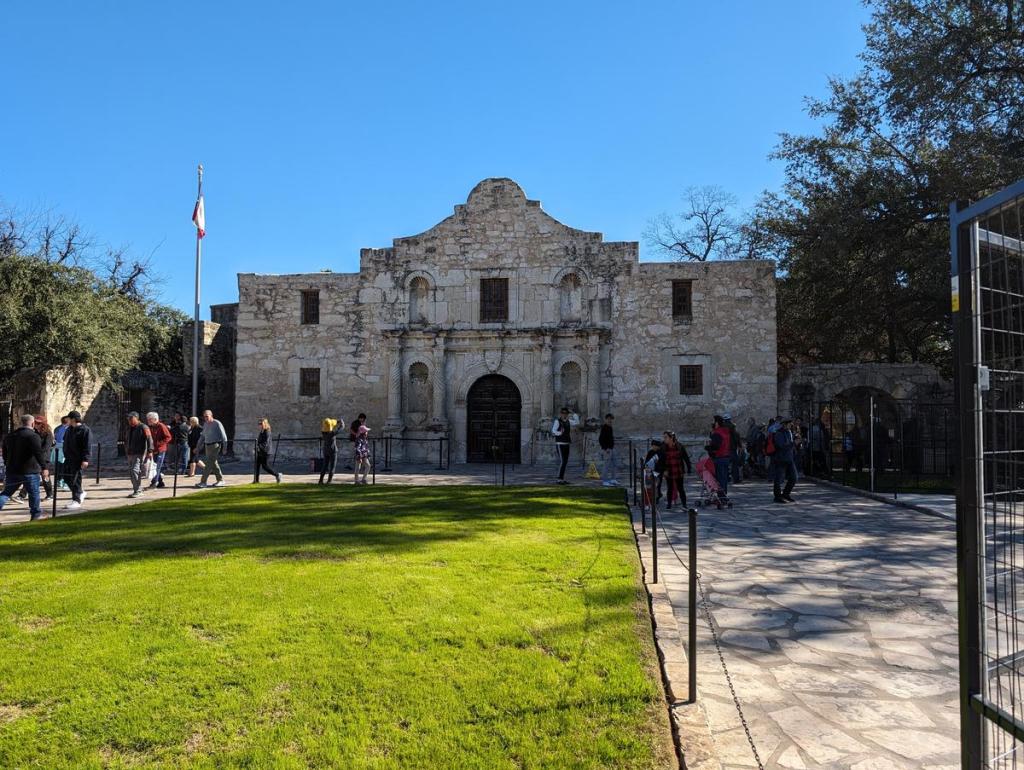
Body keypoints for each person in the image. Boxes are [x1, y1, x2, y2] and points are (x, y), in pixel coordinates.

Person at [0, 414, 49, 520]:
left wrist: (8, 463)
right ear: (32, 423)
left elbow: (5, 453)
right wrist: (44, 467)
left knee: (6, 493)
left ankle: (36, 514)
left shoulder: (10, 436)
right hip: (30, 470)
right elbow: (38, 453)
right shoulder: (33, 436)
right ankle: (36, 515)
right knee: (34, 493)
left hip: (13, 470)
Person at [60, 410, 91, 510]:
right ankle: (80, 492)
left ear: (73, 419)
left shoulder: (84, 430)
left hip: (78, 459)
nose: (67, 420)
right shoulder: (69, 429)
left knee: (75, 480)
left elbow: (87, 446)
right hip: (68, 458)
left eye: (68, 418)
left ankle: (76, 500)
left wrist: (85, 459)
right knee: (66, 477)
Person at [196, 409, 228, 488]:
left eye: (207, 416)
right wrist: (198, 446)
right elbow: (203, 436)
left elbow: (224, 436)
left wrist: (225, 448)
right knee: (213, 463)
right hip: (207, 445)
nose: (205, 418)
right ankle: (220, 480)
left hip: (215, 445)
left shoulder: (217, 423)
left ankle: (203, 482)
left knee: (209, 463)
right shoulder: (205, 424)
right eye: (204, 417)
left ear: (211, 415)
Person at [125, 411, 153, 498]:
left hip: (139, 452)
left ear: (136, 418)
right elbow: (127, 440)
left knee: (135, 470)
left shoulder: (143, 427)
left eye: (131, 419)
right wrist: (127, 451)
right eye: (128, 419)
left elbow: (149, 439)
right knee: (131, 472)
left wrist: (150, 451)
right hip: (131, 453)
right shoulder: (130, 428)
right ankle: (136, 489)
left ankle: (138, 490)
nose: (129, 420)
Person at [771, 417, 799, 504]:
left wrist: (797, 443)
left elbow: (790, 445)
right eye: (789, 424)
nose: (791, 425)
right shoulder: (779, 433)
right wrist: (793, 443)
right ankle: (777, 496)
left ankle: (786, 494)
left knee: (794, 478)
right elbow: (781, 446)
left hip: (789, 458)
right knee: (778, 479)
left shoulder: (789, 432)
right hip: (781, 458)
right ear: (784, 424)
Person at [662, 431, 692, 508]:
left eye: (666, 437)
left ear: (671, 438)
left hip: (678, 470)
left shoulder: (679, 446)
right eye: (664, 437)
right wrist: (664, 470)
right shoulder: (663, 447)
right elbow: (661, 460)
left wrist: (689, 468)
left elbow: (685, 457)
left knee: (680, 488)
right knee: (670, 488)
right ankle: (669, 504)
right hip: (669, 470)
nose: (664, 439)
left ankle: (684, 504)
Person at [707, 415, 733, 498]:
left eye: (713, 421)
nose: (712, 423)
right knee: (724, 478)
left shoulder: (717, 433)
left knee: (720, 479)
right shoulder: (726, 432)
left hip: (719, 457)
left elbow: (715, 446)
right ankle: (724, 495)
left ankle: (721, 496)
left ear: (717, 423)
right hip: (726, 456)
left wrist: (707, 447)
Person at [146, 412, 173, 489]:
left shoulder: (161, 426)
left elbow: (168, 437)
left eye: (149, 419)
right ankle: (160, 483)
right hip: (154, 450)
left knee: (157, 467)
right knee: (156, 466)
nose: (148, 421)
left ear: (155, 419)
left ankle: (154, 482)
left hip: (161, 449)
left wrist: (159, 443)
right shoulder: (151, 427)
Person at [551, 407, 576, 485]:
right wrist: (560, 433)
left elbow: (577, 422)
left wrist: (574, 414)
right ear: (561, 414)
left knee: (565, 462)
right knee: (563, 461)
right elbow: (553, 431)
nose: (564, 415)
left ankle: (562, 478)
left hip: (567, 443)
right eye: (563, 413)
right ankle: (559, 479)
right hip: (560, 443)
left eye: (566, 413)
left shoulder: (569, 421)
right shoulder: (557, 421)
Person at [318, 417, 345, 484]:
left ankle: (321, 480)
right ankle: (329, 481)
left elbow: (332, 423)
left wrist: (337, 421)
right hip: (332, 450)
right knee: (332, 466)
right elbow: (341, 429)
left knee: (325, 465)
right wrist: (342, 423)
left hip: (325, 450)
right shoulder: (332, 433)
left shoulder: (323, 433)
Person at [254, 418, 282, 483]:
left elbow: (265, 443)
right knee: (257, 465)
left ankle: (277, 475)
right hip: (260, 451)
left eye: (260, 423)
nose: (259, 425)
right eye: (258, 423)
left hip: (266, 451)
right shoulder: (262, 431)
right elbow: (259, 441)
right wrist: (256, 447)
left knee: (265, 466)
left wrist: (258, 447)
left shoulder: (267, 431)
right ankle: (256, 481)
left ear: (264, 424)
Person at [598, 413, 618, 487]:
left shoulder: (610, 427)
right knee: (606, 465)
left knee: (614, 464)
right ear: (606, 419)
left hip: (612, 448)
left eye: (611, 419)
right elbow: (600, 439)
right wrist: (605, 448)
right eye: (609, 419)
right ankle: (605, 481)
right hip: (607, 449)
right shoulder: (604, 427)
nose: (610, 420)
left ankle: (613, 479)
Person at [53, 415, 70, 490]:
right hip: (64, 449)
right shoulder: (68, 429)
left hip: (57, 449)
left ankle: (58, 481)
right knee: (65, 466)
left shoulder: (57, 428)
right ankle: (64, 482)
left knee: (58, 466)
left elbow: (55, 439)